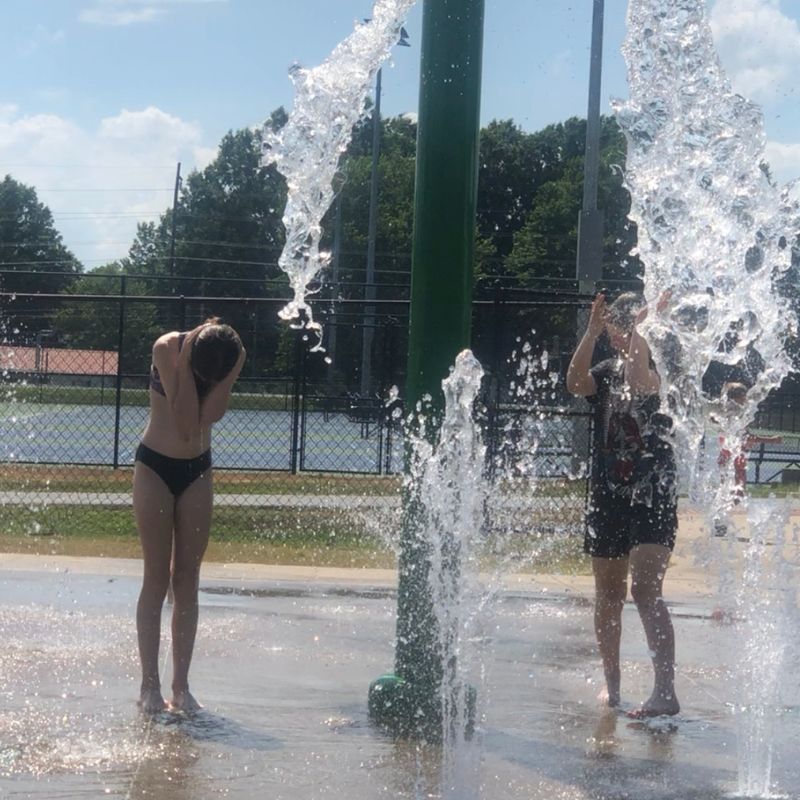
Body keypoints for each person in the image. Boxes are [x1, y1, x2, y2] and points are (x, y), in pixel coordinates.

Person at [567, 292, 680, 718]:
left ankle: (664, 692)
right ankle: (612, 685)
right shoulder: (606, 369)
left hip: (652, 493)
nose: (624, 331)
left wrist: (642, 331)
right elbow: (575, 384)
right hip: (608, 494)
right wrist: (592, 333)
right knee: (608, 594)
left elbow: (637, 376)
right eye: (619, 324)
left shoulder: (659, 370)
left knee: (646, 591)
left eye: (630, 324)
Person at [134, 318, 245, 714]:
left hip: (197, 470)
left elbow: (208, 417)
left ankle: (181, 685)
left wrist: (226, 376)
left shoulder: (229, 354)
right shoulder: (166, 348)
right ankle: (150, 685)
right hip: (154, 467)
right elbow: (183, 423)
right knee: (157, 577)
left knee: (187, 577)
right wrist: (183, 365)